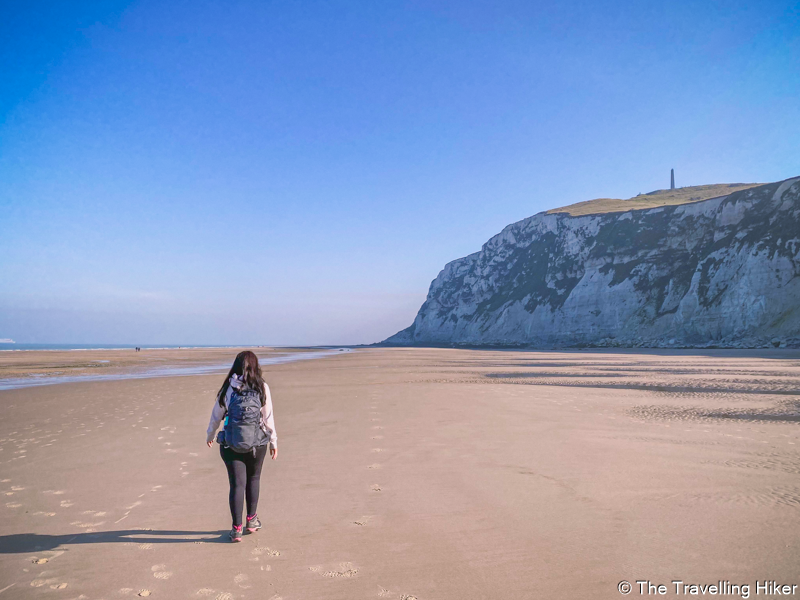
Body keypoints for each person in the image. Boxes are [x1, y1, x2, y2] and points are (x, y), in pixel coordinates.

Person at [206, 351, 278, 542]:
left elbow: (216, 415)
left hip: (231, 443)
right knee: (253, 479)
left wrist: (210, 435)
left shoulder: (228, 387)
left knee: (237, 484)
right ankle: (252, 521)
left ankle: (236, 529)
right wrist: (273, 441)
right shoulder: (262, 387)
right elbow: (267, 418)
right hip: (257, 444)